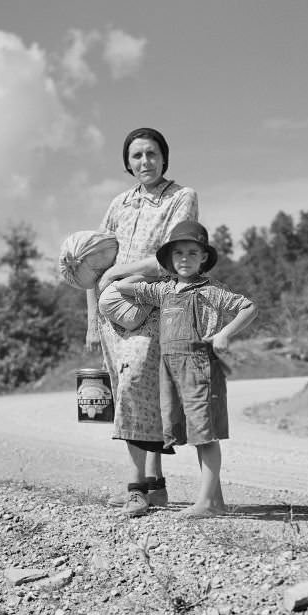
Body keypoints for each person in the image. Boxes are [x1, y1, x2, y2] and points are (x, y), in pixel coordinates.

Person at [88, 127, 199, 517]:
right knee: (130, 395)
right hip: (111, 313)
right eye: (136, 156)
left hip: (154, 306)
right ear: (127, 163)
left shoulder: (181, 197)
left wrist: (121, 274)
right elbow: (95, 262)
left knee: (137, 383)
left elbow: (172, 256)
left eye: (151, 154)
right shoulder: (118, 204)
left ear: (164, 157)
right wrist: (91, 318)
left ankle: (136, 487)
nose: (144, 162)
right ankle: (154, 485)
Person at [116, 220, 258, 518]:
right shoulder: (164, 290)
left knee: (205, 434)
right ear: (169, 258)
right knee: (195, 433)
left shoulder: (211, 290)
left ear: (204, 257)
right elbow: (123, 287)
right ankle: (214, 501)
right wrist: (154, 270)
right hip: (171, 370)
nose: (184, 258)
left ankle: (207, 503)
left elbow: (248, 307)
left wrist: (224, 334)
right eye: (177, 253)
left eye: (192, 253)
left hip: (199, 366)